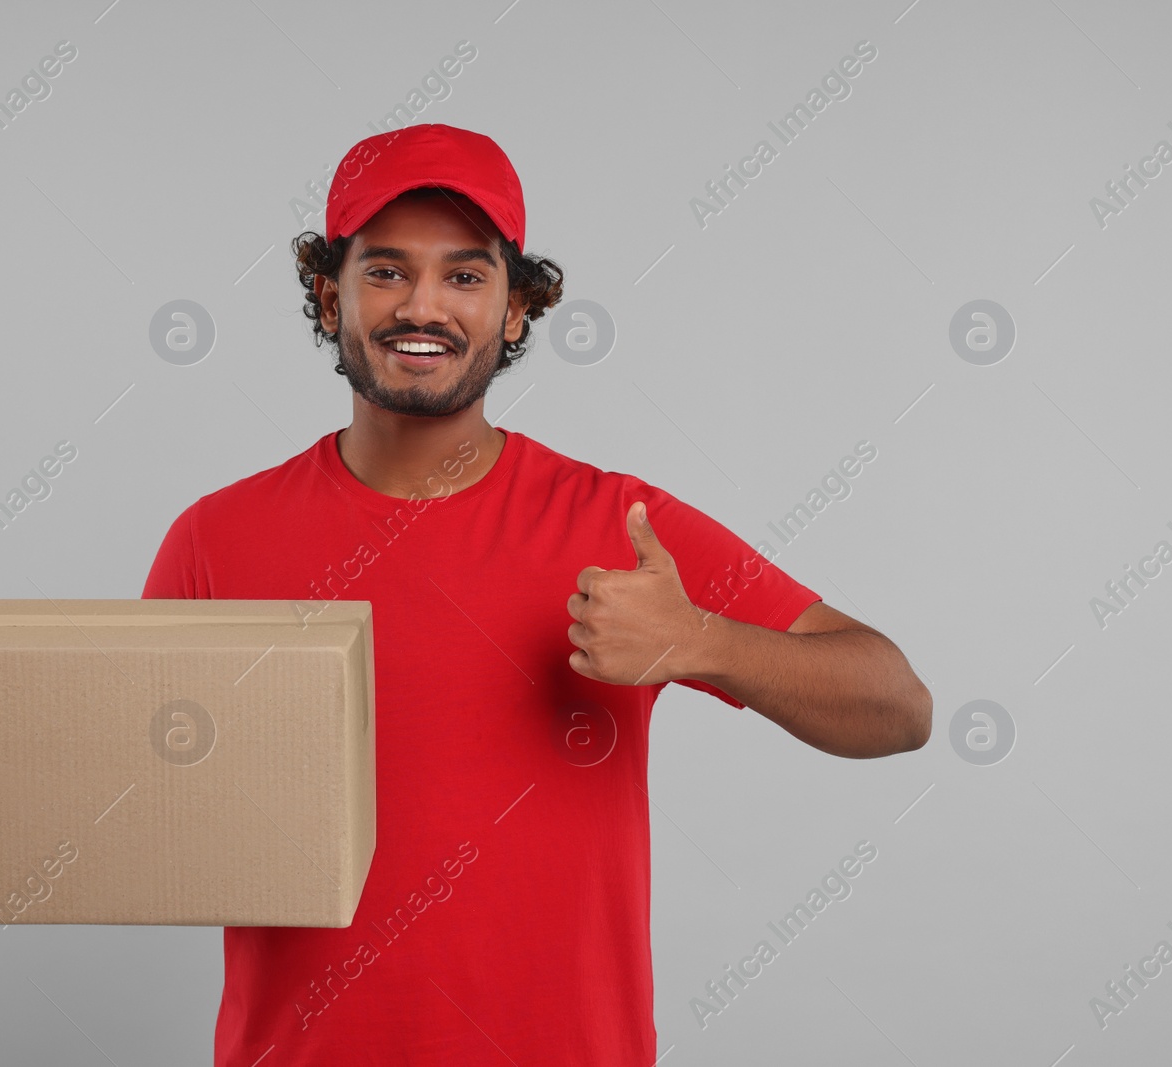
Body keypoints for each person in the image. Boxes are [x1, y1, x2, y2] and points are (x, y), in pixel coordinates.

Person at [142, 122, 930, 1065]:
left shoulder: (620, 529)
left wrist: (704, 641)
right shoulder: (217, 540)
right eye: (384, 271)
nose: (421, 306)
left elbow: (900, 705)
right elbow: (139, 813)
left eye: (465, 276)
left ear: (516, 309)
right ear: (329, 296)